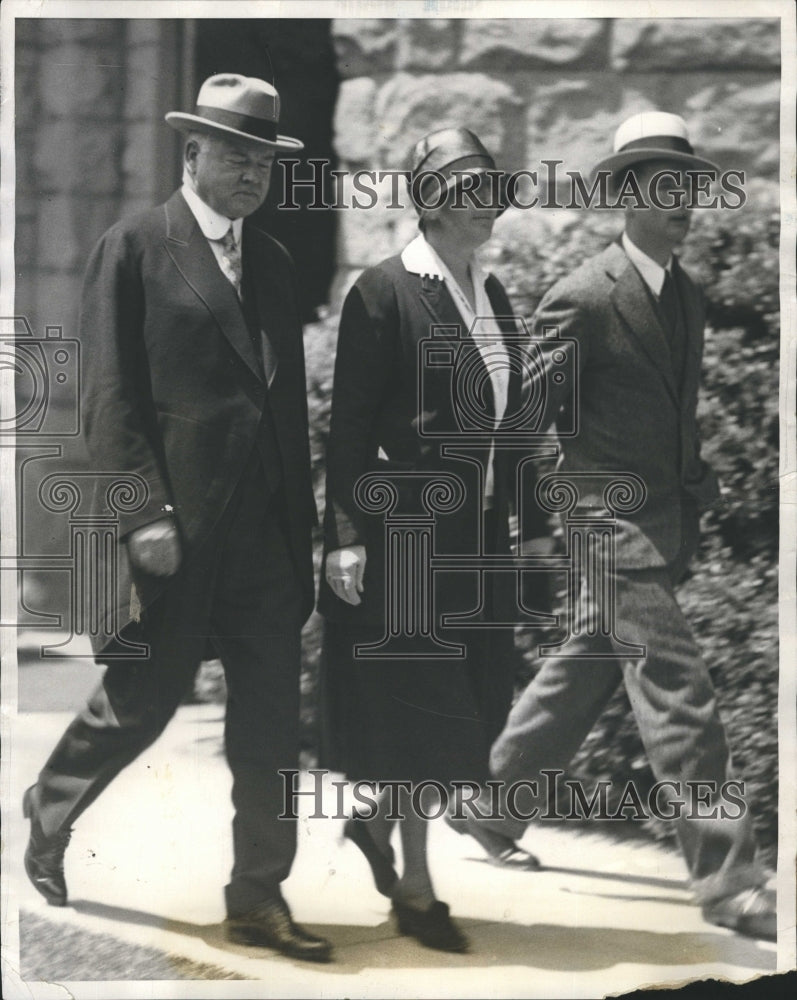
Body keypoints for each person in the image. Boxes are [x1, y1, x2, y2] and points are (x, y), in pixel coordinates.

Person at [21, 74, 332, 963]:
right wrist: (141, 513)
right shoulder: (135, 247)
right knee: (139, 705)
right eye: (234, 153)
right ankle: (49, 809)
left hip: (266, 541)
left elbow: (283, 404)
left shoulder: (270, 261)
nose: (251, 172)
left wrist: (299, 528)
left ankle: (258, 899)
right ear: (191, 152)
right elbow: (108, 396)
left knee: (270, 727)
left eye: (264, 159)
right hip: (174, 531)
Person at [448, 111, 776, 942]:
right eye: (665, 187)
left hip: (662, 521)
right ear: (625, 195)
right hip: (606, 527)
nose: (684, 202)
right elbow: (531, 424)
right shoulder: (585, 295)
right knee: (679, 693)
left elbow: (676, 419)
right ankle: (729, 881)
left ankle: (487, 804)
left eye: (690, 186)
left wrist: (695, 495)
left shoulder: (686, 297)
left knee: (588, 664)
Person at [318, 127, 550, 953]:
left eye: (493, 184)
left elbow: (512, 426)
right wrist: (344, 536)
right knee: (422, 710)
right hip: (406, 534)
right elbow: (346, 429)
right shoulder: (382, 292)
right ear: (436, 198)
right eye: (476, 185)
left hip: (477, 536)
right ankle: (415, 889)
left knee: (468, 705)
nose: (493, 199)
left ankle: (377, 822)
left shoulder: (492, 294)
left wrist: (527, 531)